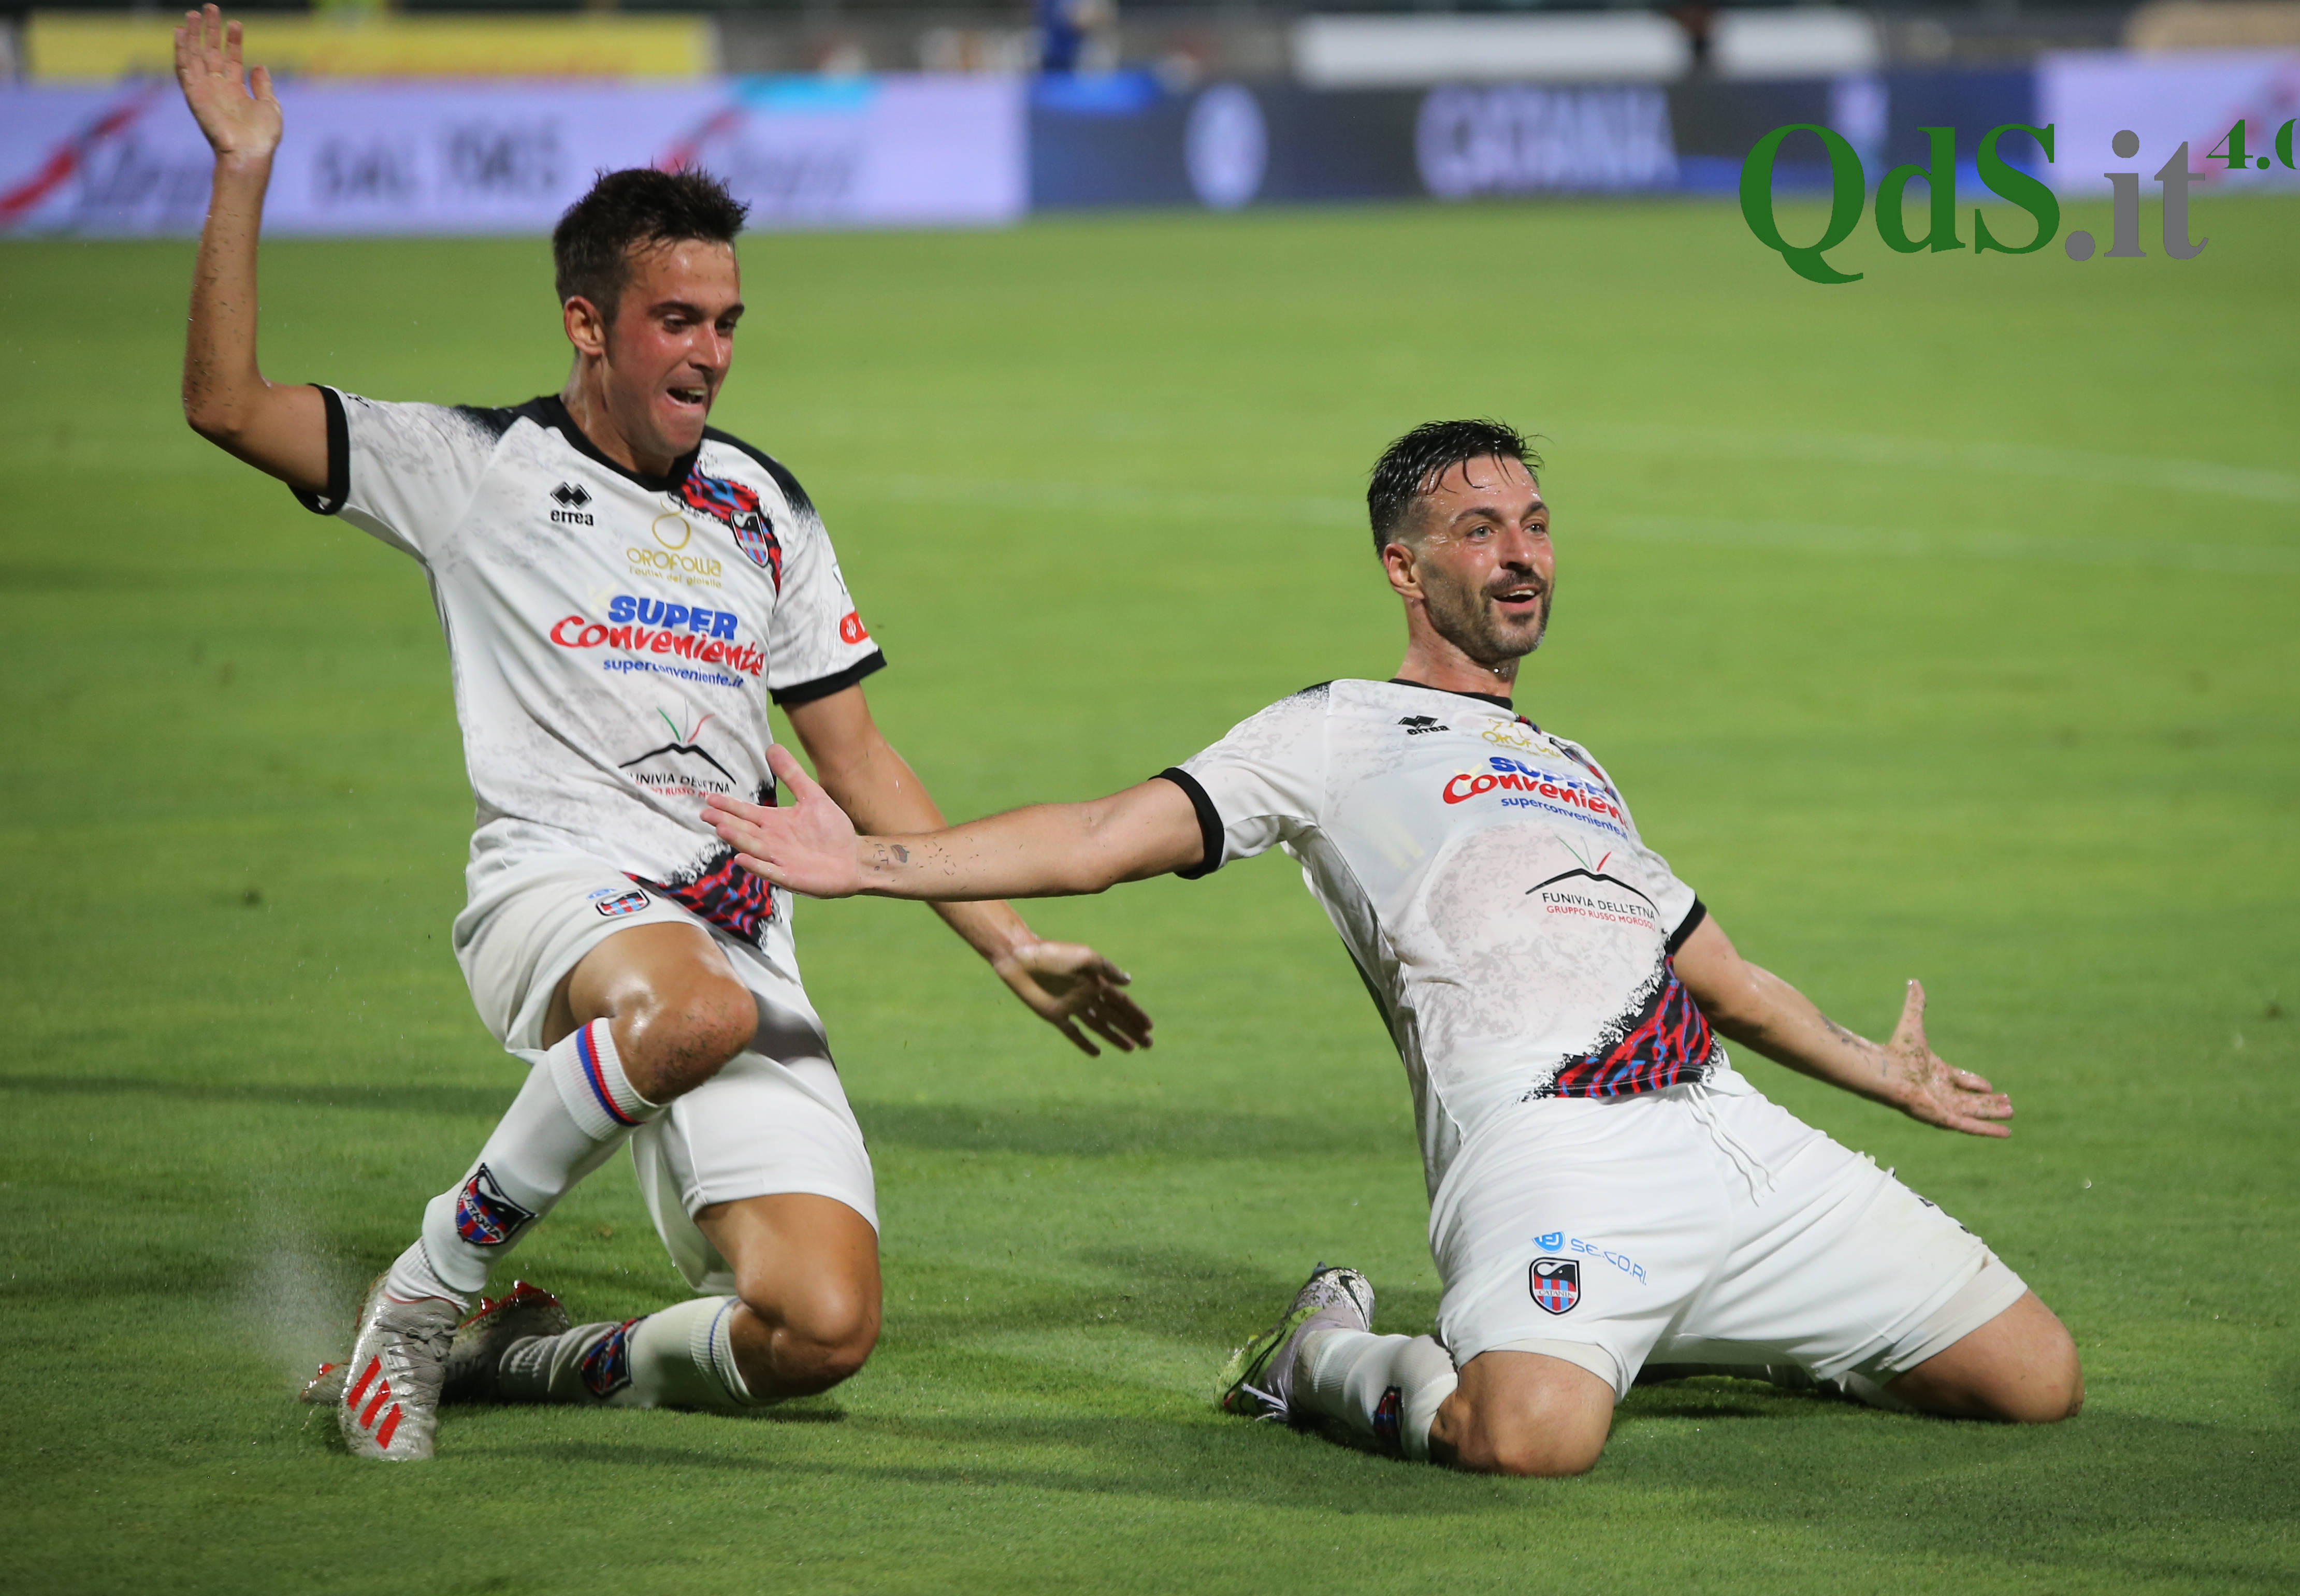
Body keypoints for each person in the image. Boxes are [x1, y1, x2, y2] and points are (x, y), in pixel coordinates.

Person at [703, 418, 2086, 1477]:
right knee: (1530, 1437)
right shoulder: (1335, 729)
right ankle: (1322, 1354)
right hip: (1549, 1141)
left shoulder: (1573, 761)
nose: (1523, 551)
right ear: (1404, 565)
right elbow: (1100, 833)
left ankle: (1674, 1321)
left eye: (1536, 523)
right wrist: (868, 862)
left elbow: (1718, 973)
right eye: (1481, 528)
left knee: (2034, 1375)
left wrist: (1879, 1071)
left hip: (1722, 1123)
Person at [172, 6, 1151, 1462]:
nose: (712, 354)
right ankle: (422, 1302)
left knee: (820, 1327)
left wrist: (1010, 943)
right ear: (588, 323)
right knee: (684, 1013)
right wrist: (245, 165)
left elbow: (858, 758)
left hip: (740, 922)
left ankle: (538, 1358)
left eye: (729, 322)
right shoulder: (477, 471)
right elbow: (227, 403)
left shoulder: (764, 505)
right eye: (678, 322)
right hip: (562, 886)